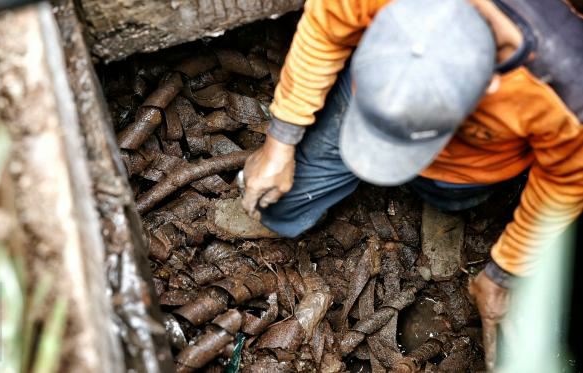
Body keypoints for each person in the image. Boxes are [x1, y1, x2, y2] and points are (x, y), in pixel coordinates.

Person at [240, 0, 583, 369]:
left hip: (474, 159)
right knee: (277, 205)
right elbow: (323, 25)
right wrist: (281, 140)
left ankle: (444, 202)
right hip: (368, 104)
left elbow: (564, 183)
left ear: (492, 83)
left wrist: (504, 270)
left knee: (452, 198)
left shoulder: (567, 92)